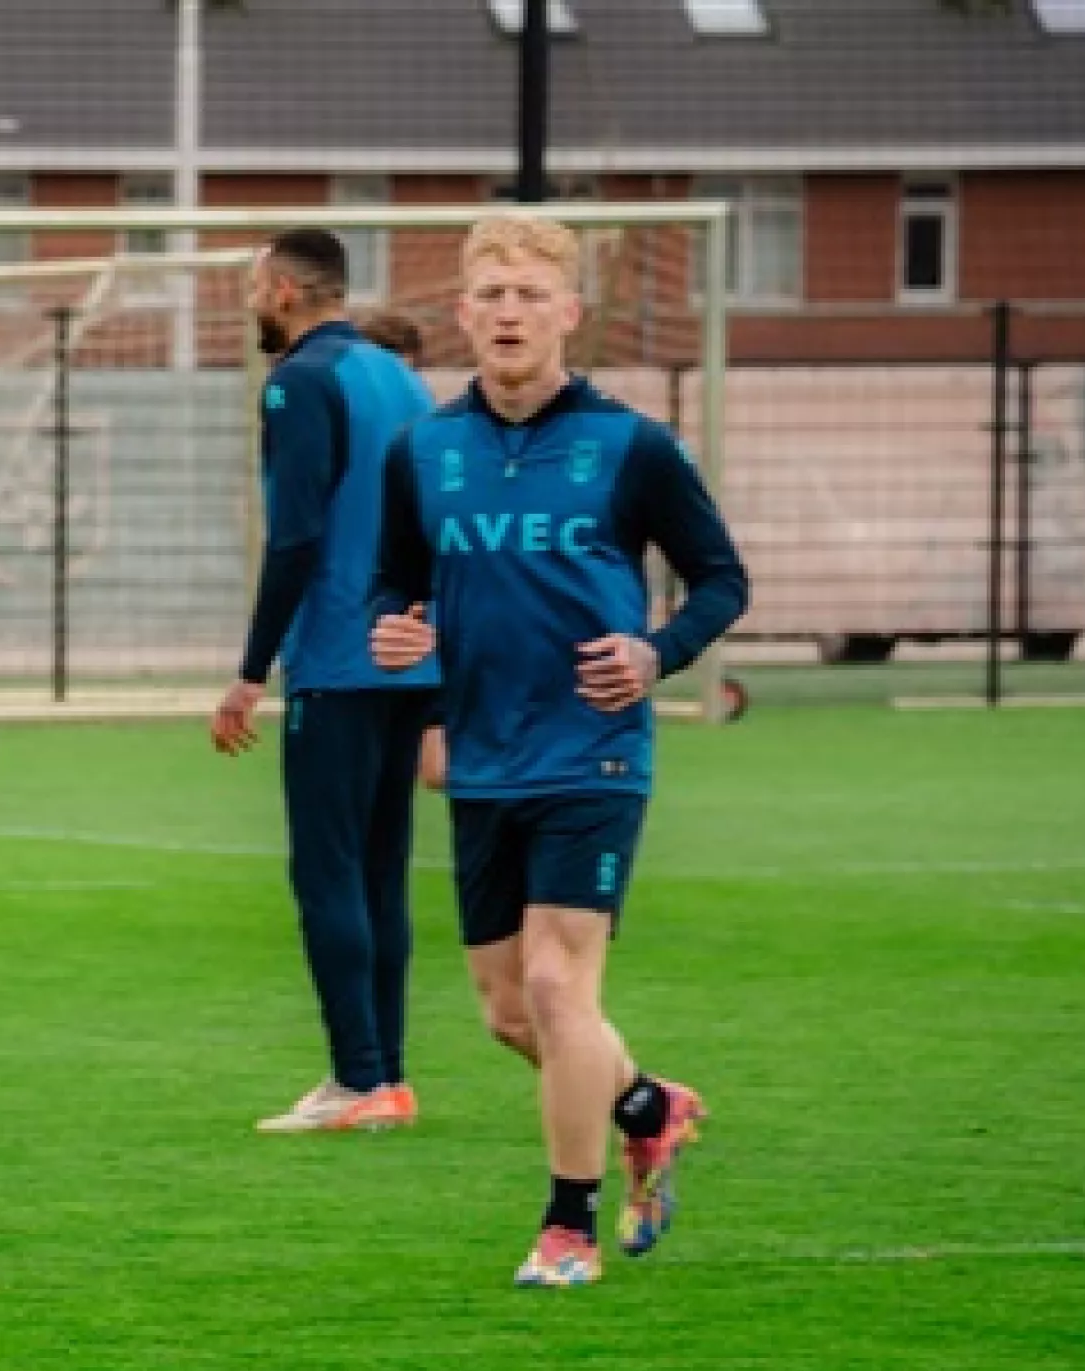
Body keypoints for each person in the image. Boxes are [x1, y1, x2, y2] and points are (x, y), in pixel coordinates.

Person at [367, 214, 745, 1288]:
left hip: (594, 752)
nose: (508, 312)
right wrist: (396, 631)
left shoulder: (630, 445)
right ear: (463, 316)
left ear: (569, 313)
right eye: (490, 295)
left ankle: (567, 1225)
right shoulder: (425, 450)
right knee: (503, 1008)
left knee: (553, 982)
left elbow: (721, 577)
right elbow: (397, 582)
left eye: (530, 294)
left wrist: (656, 649)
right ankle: (648, 1105)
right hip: (485, 756)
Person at [211, 232, 438, 1136]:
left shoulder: (298, 381)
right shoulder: (401, 378)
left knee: (328, 870)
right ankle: (387, 1075)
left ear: (281, 289)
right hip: (409, 655)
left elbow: (296, 535)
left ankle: (357, 1077)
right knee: (381, 870)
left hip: (340, 658)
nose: (249, 305)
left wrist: (247, 669)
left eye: (252, 288)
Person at [353, 313, 452, 794]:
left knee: (438, 770)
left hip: (430, 624)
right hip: (366, 625)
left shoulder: (434, 439)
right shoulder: (345, 438)